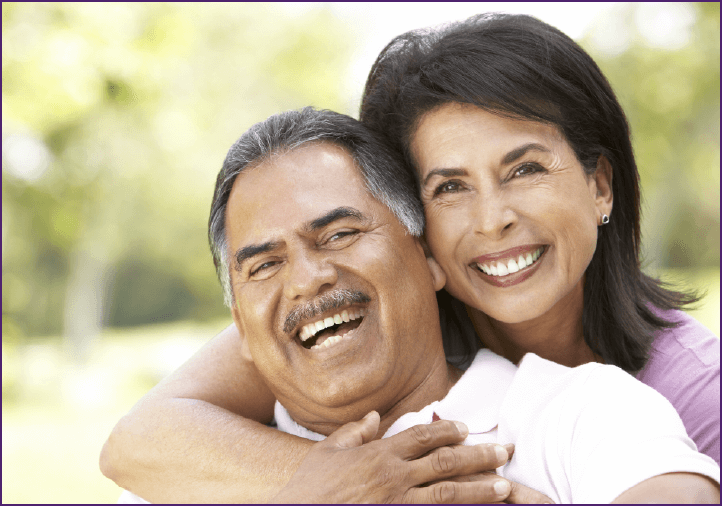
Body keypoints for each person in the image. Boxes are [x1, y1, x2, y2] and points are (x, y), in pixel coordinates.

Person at [100, 13, 720, 503]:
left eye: (525, 168)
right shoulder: (321, 332)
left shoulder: (644, 400)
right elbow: (137, 440)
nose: (492, 218)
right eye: (449, 186)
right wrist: (349, 486)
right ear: (421, 232)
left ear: (600, 185)